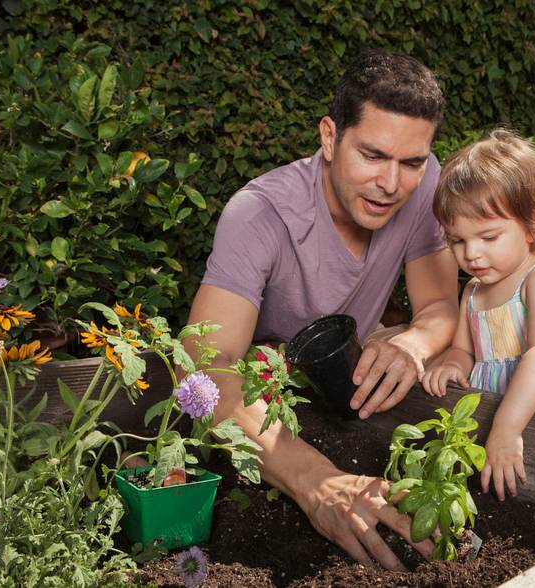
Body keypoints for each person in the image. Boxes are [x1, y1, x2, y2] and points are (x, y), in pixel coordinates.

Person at [184, 50, 459, 570]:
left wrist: (412, 343)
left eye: (412, 162)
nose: (392, 184)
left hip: (340, 406)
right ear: (330, 137)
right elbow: (205, 363)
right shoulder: (259, 214)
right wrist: (317, 482)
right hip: (259, 425)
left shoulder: (424, 187)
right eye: (373, 155)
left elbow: (441, 304)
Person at [421, 129, 535, 503]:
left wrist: (508, 427)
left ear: (533, 225)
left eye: (489, 237)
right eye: (458, 241)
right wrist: (452, 364)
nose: (472, 255)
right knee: (497, 488)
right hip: (492, 419)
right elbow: (464, 351)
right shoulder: (473, 292)